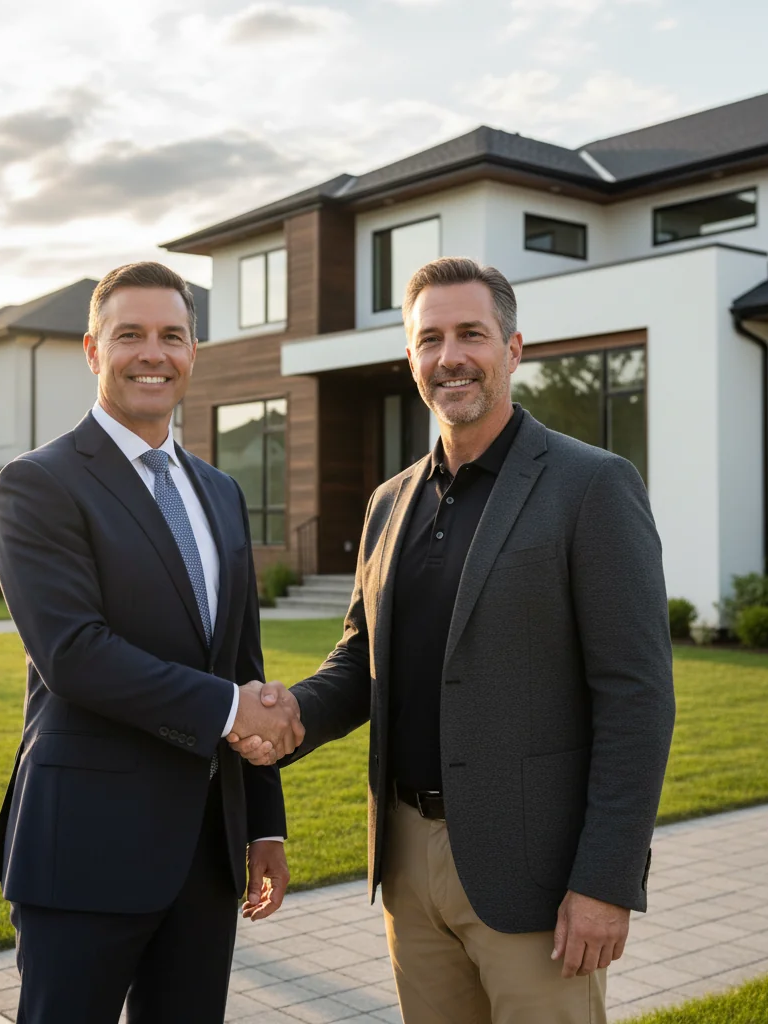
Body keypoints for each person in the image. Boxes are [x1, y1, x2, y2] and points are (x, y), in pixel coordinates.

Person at [231, 257, 676, 1024]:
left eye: (471, 333)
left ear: (514, 348)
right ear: (410, 359)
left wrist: (605, 882)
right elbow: (360, 663)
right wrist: (283, 715)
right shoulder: (388, 501)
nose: (450, 356)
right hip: (405, 864)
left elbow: (637, 699)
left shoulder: (591, 486)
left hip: (534, 874)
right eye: (429, 339)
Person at [0, 262, 304, 1024]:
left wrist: (262, 821)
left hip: (206, 852)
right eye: (130, 335)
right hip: (85, 847)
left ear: (194, 351)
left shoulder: (219, 492)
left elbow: (241, 665)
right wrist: (231, 710)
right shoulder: (38, 484)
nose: (152, 353)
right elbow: (74, 654)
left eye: (172, 336)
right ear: (94, 351)